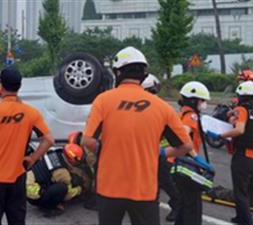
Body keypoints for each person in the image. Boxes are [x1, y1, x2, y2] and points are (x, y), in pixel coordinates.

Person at [76, 46, 193, 225]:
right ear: (143, 75)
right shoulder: (162, 107)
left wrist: (105, 149)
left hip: (109, 188)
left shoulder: (103, 100)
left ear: (118, 72)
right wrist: (160, 153)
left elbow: (87, 140)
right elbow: (186, 146)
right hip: (144, 189)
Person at [0, 67, 55, 225]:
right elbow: (49, 140)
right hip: (17, 177)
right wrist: (32, 158)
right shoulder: (31, 113)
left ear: (0, 86)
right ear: (20, 86)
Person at [207, 81, 253, 225]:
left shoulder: (242, 109)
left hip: (244, 157)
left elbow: (240, 130)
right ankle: (240, 217)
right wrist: (232, 117)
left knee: (241, 192)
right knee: (249, 190)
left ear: (242, 96)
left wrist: (220, 136)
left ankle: (246, 221)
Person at [175, 81, 214, 225]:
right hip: (188, 163)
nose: (204, 104)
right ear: (193, 100)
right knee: (193, 204)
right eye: (202, 100)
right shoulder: (191, 116)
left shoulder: (182, 113)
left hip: (180, 161)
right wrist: (195, 156)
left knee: (184, 202)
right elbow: (182, 136)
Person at [142, 75, 180, 221]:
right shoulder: (154, 106)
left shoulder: (155, 108)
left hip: (161, 154)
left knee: (164, 181)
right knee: (154, 181)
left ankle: (177, 204)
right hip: (154, 152)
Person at [26, 145, 83, 216]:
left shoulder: (54, 152)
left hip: (26, 182)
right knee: (62, 188)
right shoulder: (62, 172)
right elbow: (67, 194)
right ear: (72, 160)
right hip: (34, 195)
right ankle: (48, 207)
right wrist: (79, 189)